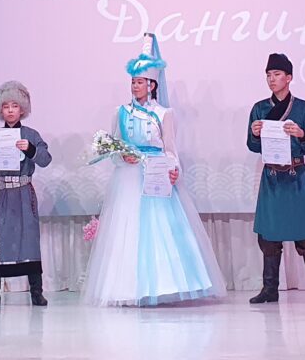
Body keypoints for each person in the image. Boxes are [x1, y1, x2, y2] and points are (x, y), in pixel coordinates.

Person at [83, 36, 224, 307]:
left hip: (155, 176)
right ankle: (126, 288)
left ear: (152, 84)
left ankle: (165, 285)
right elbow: (113, 147)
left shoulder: (164, 113)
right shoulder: (120, 112)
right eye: (133, 81)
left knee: (162, 231)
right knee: (128, 230)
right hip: (128, 179)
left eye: (140, 82)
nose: (135, 86)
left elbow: (170, 149)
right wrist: (122, 156)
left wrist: (174, 170)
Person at [246, 52, 305, 306]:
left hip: (296, 176)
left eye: (277, 74)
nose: (272, 79)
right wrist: (254, 134)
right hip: (272, 177)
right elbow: (252, 146)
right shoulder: (259, 109)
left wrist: (302, 134)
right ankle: (269, 289)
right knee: (268, 237)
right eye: (268, 75)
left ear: (289, 77)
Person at [0, 80, 53, 307]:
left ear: (22, 109)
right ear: (0, 109)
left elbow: (46, 159)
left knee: (29, 240)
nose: (10, 110)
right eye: (6, 106)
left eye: (14, 106)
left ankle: (36, 291)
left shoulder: (31, 135)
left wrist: (30, 149)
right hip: (0, 194)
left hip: (23, 193)